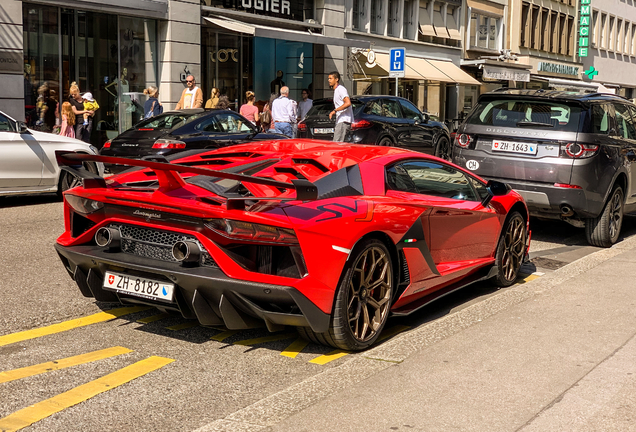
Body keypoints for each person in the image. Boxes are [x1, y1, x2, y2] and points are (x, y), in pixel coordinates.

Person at [328, 71, 353, 142]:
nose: (329, 80)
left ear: (336, 79)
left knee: (337, 144)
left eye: (330, 78)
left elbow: (348, 103)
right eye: (328, 78)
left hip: (343, 120)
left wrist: (335, 111)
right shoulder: (336, 90)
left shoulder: (341, 89)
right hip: (341, 120)